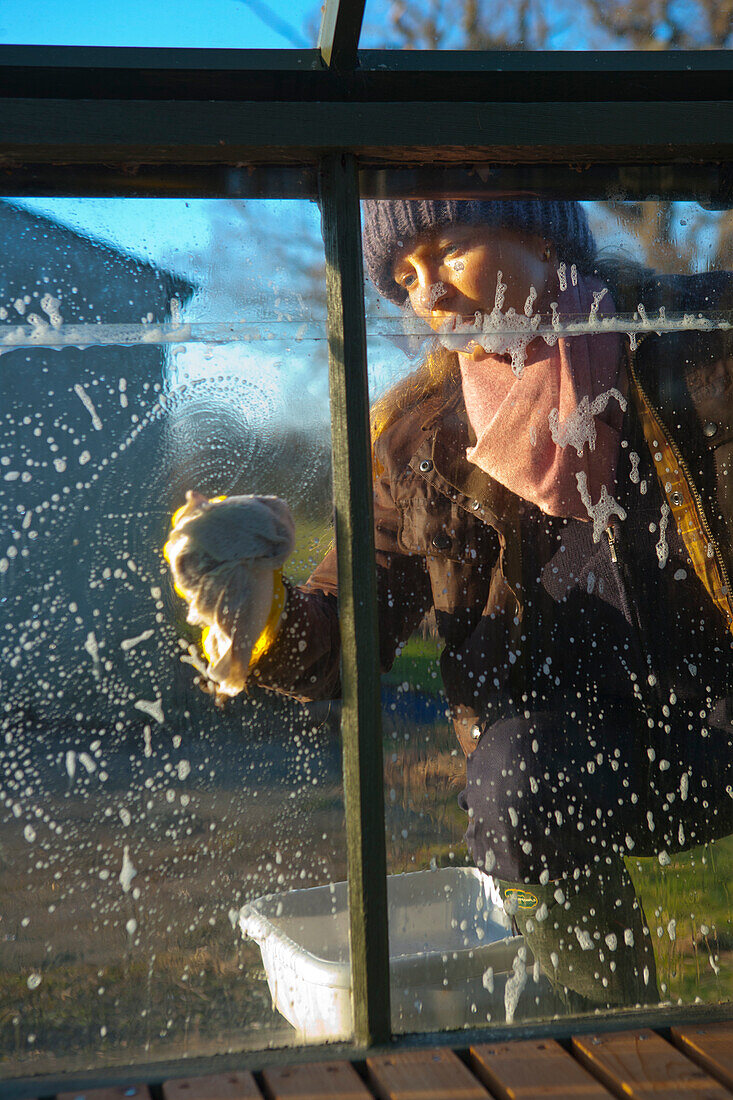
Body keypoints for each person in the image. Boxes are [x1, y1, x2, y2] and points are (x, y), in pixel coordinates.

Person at [166, 199, 733, 1010]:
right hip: (573, 767)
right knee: (512, 781)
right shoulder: (412, 440)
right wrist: (256, 606)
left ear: (544, 238)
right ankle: (621, 1039)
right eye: (403, 275)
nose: (426, 291)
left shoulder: (700, 343)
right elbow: (337, 639)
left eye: (449, 251)